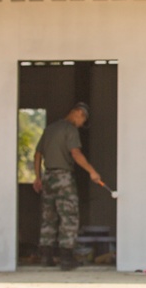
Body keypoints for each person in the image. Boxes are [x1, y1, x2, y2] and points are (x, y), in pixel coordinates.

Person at [33, 102, 102, 271]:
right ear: (78, 113)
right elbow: (76, 153)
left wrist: (37, 177)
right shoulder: (70, 129)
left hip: (48, 177)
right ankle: (66, 259)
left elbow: (37, 154)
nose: (81, 125)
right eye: (82, 121)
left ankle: (46, 257)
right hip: (63, 177)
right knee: (69, 217)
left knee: (49, 217)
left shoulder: (49, 129)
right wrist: (92, 172)